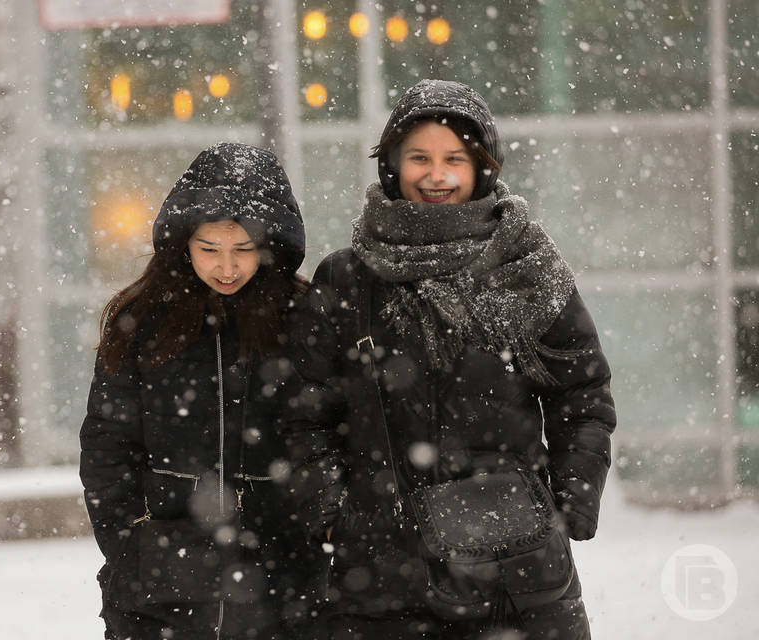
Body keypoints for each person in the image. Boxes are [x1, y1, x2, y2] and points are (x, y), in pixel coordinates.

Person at [287, 80, 617, 639]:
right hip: (380, 581)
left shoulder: (526, 265)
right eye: (419, 157)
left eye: (453, 159)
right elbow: (305, 415)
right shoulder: (348, 277)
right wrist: (337, 516)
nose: (435, 175)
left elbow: (582, 395)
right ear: (393, 165)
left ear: (480, 168)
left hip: (515, 574)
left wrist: (567, 504)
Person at [80, 142, 320, 639]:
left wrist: (312, 538)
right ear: (183, 243)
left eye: (243, 250)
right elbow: (108, 445)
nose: (226, 268)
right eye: (209, 249)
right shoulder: (142, 320)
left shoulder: (306, 321)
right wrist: (132, 546)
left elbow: (325, 435)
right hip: (160, 591)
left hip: (283, 585)